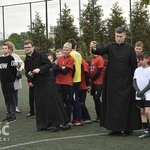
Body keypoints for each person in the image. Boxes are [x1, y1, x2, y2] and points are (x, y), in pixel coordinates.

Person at [90, 26, 142, 136]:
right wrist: (94, 48)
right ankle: (114, 128)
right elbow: (100, 51)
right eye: (117, 36)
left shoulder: (129, 48)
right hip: (112, 82)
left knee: (125, 105)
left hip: (126, 83)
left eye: (121, 36)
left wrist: (134, 80)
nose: (118, 38)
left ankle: (127, 129)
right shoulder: (110, 46)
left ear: (125, 36)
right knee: (112, 105)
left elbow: (133, 66)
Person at [24, 40, 69, 132]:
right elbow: (26, 72)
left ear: (33, 47)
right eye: (25, 47)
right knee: (40, 105)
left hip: (46, 83)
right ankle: (43, 125)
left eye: (29, 47)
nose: (27, 49)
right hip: (37, 85)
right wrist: (29, 74)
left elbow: (48, 64)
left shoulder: (40, 55)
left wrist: (39, 70)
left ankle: (56, 124)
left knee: (51, 104)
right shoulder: (26, 60)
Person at [54, 42, 74, 127]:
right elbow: (54, 69)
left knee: (68, 101)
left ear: (70, 50)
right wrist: (60, 68)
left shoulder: (71, 59)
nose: (65, 51)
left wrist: (60, 68)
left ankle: (68, 120)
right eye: (64, 49)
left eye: (67, 50)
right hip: (59, 82)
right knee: (60, 102)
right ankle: (61, 120)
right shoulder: (60, 58)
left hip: (67, 83)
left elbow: (65, 71)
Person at [133, 52, 150, 139]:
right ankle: (146, 130)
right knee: (142, 112)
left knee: (148, 112)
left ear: (147, 59)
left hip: (148, 94)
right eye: (139, 60)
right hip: (139, 94)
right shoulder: (137, 70)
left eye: (142, 60)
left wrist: (142, 92)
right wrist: (138, 92)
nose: (140, 62)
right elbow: (134, 82)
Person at [5, 41, 24, 113]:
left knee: (15, 92)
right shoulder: (3, 57)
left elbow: (22, 63)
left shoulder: (15, 56)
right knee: (7, 93)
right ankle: (9, 107)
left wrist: (21, 68)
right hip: (6, 78)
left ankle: (15, 107)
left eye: (9, 48)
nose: (7, 50)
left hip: (15, 77)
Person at [68, 38, 83, 126]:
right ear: (75, 46)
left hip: (72, 80)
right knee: (75, 99)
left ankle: (79, 119)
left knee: (74, 100)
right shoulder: (78, 54)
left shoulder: (71, 55)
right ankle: (75, 118)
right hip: (78, 79)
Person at [0, 43, 17, 122]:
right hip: (3, 82)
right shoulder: (0, 58)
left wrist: (12, 80)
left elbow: (14, 70)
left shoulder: (11, 58)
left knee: (11, 98)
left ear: (9, 49)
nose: (4, 50)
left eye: (5, 48)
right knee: (6, 98)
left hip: (9, 82)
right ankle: (8, 114)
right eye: (3, 48)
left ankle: (13, 115)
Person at [89, 51, 105, 123]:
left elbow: (99, 71)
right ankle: (98, 115)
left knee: (97, 98)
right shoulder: (93, 59)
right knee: (95, 99)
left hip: (98, 82)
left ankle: (102, 116)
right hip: (94, 83)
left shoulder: (100, 58)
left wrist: (92, 79)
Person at [78, 50, 92, 124]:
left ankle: (87, 117)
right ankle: (81, 117)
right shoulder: (78, 62)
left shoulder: (83, 62)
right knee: (79, 102)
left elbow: (87, 74)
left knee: (81, 102)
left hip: (82, 86)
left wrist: (88, 85)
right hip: (79, 86)